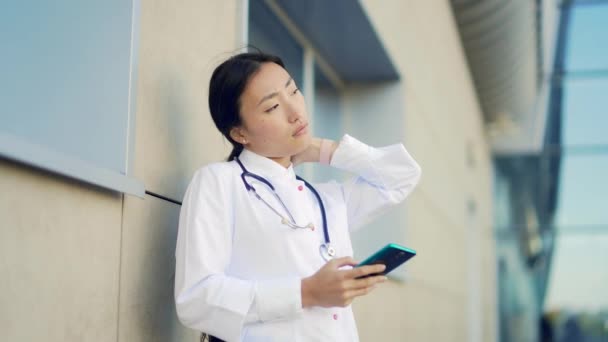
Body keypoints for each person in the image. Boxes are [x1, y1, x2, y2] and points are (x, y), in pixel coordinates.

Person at [174, 51, 422, 342]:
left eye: (293, 90)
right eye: (273, 106)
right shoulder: (218, 182)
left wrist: (322, 149)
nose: (295, 112)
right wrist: (306, 292)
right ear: (240, 133)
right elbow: (195, 299)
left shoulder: (325, 200)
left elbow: (402, 176)